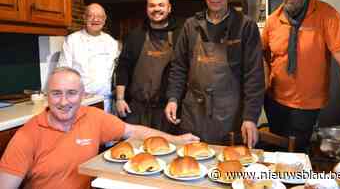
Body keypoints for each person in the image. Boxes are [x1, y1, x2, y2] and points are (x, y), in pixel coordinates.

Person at [0, 67, 199, 189]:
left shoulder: (92, 117)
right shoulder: (28, 135)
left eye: (71, 93)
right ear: (47, 96)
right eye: (56, 93)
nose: (63, 101)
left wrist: (176, 140)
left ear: (82, 95)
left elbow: (134, 131)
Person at [165, 0, 265, 147]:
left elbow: (254, 76)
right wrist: (173, 98)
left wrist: (250, 117)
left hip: (230, 115)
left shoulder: (245, 26)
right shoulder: (191, 25)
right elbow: (179, 67)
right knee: (191, 166)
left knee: (228, 170)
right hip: (193, 114)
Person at [262, 0, 340, 151]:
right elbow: (262, 55)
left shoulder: (328, 15)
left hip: (307, 105)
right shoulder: (272, 21)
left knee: (297, 154)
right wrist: (264, 86)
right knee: (278, 152)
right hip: (274, 102)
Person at [115, 0, 181, 133]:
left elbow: (184, 70)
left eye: (161, 5)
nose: (156, 9)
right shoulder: (135, 35)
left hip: (167, 109)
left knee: (166, 151)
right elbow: (123, 68)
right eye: (152, 6)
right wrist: (120, 99)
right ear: (147, 9)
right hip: (136, 109)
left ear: (169, 8)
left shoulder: (180, 34)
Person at [57, 3, 120, 113]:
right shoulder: (72, 40)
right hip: (81, 101)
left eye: (100, 17)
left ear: (104, 19)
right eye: (91, 16)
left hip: (106, 102)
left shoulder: (111, 42)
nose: (95, 19)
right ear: (84, 18)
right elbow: (62, 72)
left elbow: (118, 70)